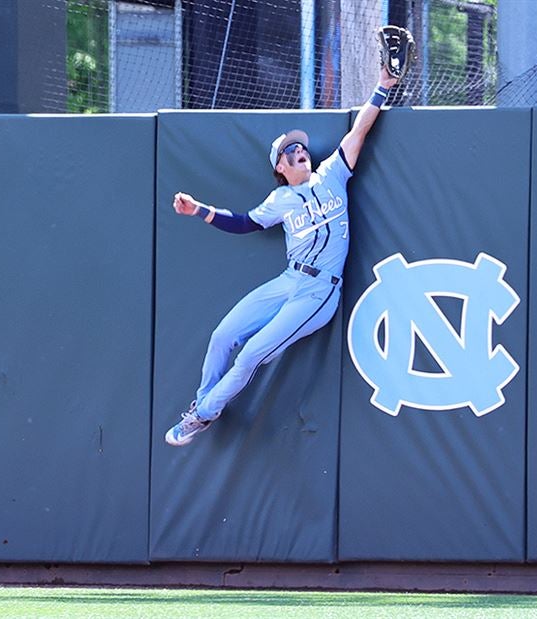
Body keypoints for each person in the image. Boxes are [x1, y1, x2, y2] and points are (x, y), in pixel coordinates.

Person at [165, 67, 399, 446]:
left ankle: (202, 415)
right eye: (291, 150)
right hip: (290, 280)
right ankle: (203, 401)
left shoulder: (332, 175)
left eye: (301, 147)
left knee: (251, 355)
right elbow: (244, 223)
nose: (300, 151)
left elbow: (358, 133)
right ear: (279, 166)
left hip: (319, 291)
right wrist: (199, 210)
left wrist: (382, 87)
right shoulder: (280, 200)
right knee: (223, 335)